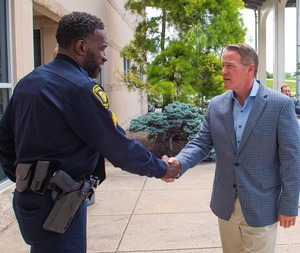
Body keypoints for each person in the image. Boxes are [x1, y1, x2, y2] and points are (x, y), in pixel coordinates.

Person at [0, 12, 179, 253]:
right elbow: (118, 147)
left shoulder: (29, 81)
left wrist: (27, 180)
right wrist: (162, 168)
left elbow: (5, 139)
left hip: (28, 202)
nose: (105, 57)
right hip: (58, 205)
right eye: (102, 48)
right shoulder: (81, 89)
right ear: (81, 47)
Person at [166, 43, 300, 253]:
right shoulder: (216, 105)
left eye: (229, 65)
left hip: (262, 205)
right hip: (225, 203)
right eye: (223, 65)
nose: (223, 71)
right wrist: (179, 162)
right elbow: (201, 142)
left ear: (250, 69)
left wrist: (289, 205)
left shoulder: (280, 105)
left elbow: (292, 158)